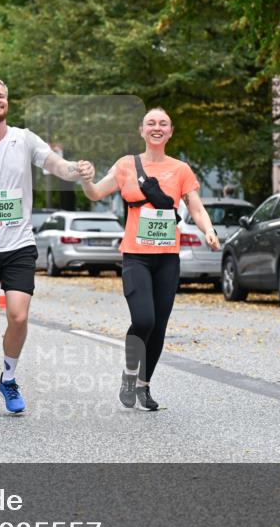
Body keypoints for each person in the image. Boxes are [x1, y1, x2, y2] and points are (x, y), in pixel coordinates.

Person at [0, 76, 94, 416]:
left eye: (1, 95)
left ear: (7, 102)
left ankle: (9, 378)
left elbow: (55, 164)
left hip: (19, 244)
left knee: (19, 314)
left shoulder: (24, 139)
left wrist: (77, 169)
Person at [77, 107, 220, 411]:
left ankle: (144, 384)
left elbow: (195, 207)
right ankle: (130, 374)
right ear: (141, 131)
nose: (157, 127)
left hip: (167, 259)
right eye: (151, 123)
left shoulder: (181, 169)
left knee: (159, 326)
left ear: (170, 132)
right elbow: (96, 193)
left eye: (163, 124)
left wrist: (208, 230)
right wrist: (86, 180)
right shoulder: (126, 165)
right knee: (144, 320)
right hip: (136, 257)